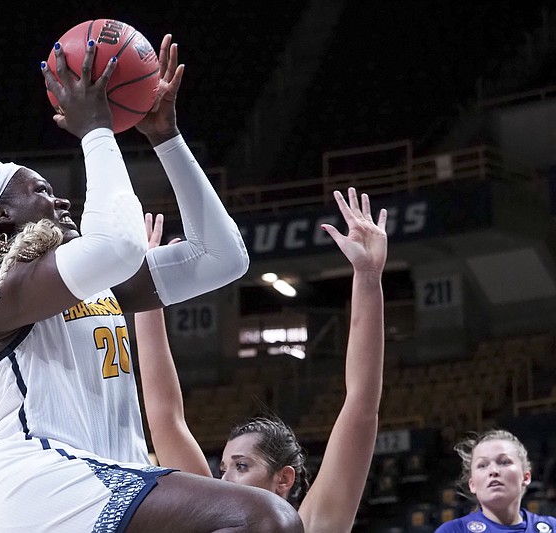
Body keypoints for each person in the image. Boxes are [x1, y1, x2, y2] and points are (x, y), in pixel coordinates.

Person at [0, 34, 303, 533]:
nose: (62, 203)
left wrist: (166, 138)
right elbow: (121, 245)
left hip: (112, 478)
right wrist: (97, 131)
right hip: (42, 485)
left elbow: (223, 258)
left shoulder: (94, 284)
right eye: (41, 192)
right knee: (269, 518)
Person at [136, 186, 387, 532]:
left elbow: (361, 405)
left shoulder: (311, 525)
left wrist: (368, 278)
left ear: (283, 479)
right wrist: (148, 291)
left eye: (241, 466)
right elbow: (165, 418)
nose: (224, 478)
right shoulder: (210, 514)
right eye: (223, 468)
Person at [434, 429, 556, 532]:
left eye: (504, 462)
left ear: (526, 477)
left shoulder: (552, 527)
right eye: (482, 465)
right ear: (472, 485)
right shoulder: (453, 530)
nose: (493, 471)